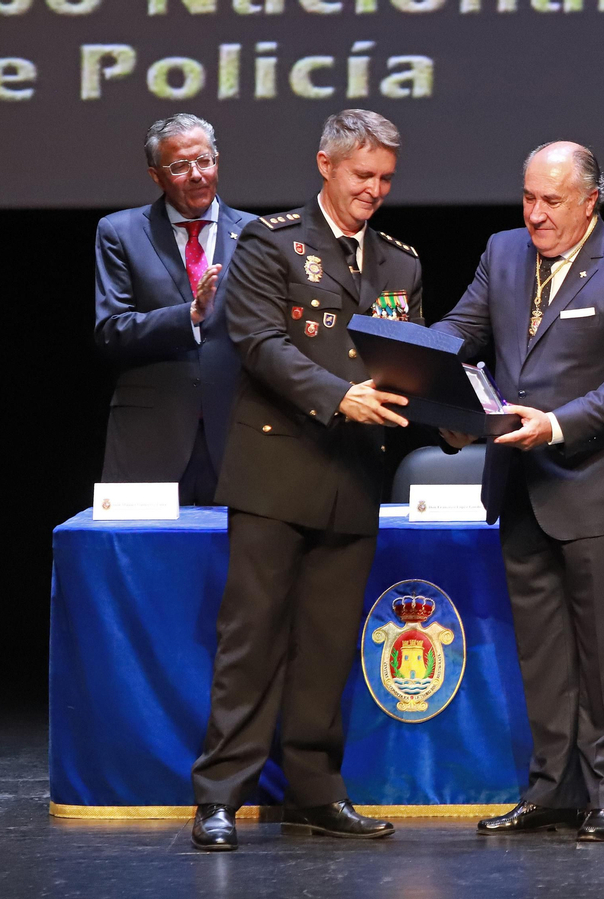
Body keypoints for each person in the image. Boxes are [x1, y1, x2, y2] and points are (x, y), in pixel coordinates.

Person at [189, 109, 424, 851]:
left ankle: (316, 794)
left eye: (385, 179)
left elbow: (411, 360)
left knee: (327, 645)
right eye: (363, 177)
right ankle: (220, 795)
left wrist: (454, 408)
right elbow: (256, 341)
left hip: (353, 476)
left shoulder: (401, 262)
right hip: (275, 470)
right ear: (325, 164)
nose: (374, 192)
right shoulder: (272, 239)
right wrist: (337, 394)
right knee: (251, 641)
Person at [433, 142, 604, 842]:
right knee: (543, 655)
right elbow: (458, 329)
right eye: (529, 197)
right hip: (521, 487)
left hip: (598, 490)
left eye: (552, 201)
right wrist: (427, 368)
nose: (536, 214)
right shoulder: (502, 253)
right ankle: (552, 789)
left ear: (590, 200)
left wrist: (557, 424)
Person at [94, 114, 255, 505]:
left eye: (204, 161)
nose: (197, 174)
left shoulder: (257, 234)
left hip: (238, 436)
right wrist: (190, 316)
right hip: (150, 439)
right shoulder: (120, 232)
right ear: (156, 175)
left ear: (217, 160)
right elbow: (111, 330)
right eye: (180, 166)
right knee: (142, 562)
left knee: (240, 564)